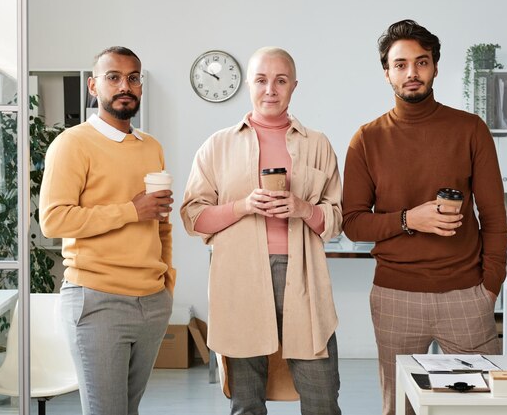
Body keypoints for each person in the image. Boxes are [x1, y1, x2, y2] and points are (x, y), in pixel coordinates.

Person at [342, 20, 507, 415]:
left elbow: (494, 217)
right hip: (394, 296)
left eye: (421, 62)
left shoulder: (470, 129)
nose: (411, 73)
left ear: (434, 67)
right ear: (387, 73)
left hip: (466, 295)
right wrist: (408, 219)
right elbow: (352, 223)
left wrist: (490, 287)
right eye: (400, 65)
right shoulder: (367, 139)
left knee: (478, 407)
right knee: (401, 408)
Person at [181, 46, 343, 415]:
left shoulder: (318, 145)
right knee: (246, 400)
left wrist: (302, 208)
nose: (271, 89)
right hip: (238, 277)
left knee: (322, 396)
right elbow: (194, 218)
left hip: (303, 276)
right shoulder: (217, 146)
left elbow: (335, 219)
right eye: (261, 80)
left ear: (294, 86)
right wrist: (242, 206)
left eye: (281, 80)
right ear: (248, 86)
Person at [39, 46, 175, 415]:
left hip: (151, 301)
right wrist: (130, 210)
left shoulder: (152, 147)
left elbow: (162, 224)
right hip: (97, 300)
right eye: (113, 77)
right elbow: (53, 220)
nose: (124, 86)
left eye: (132, 78)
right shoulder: (72, 144)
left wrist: (167, 285)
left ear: (141, 87)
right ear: (93, 86)